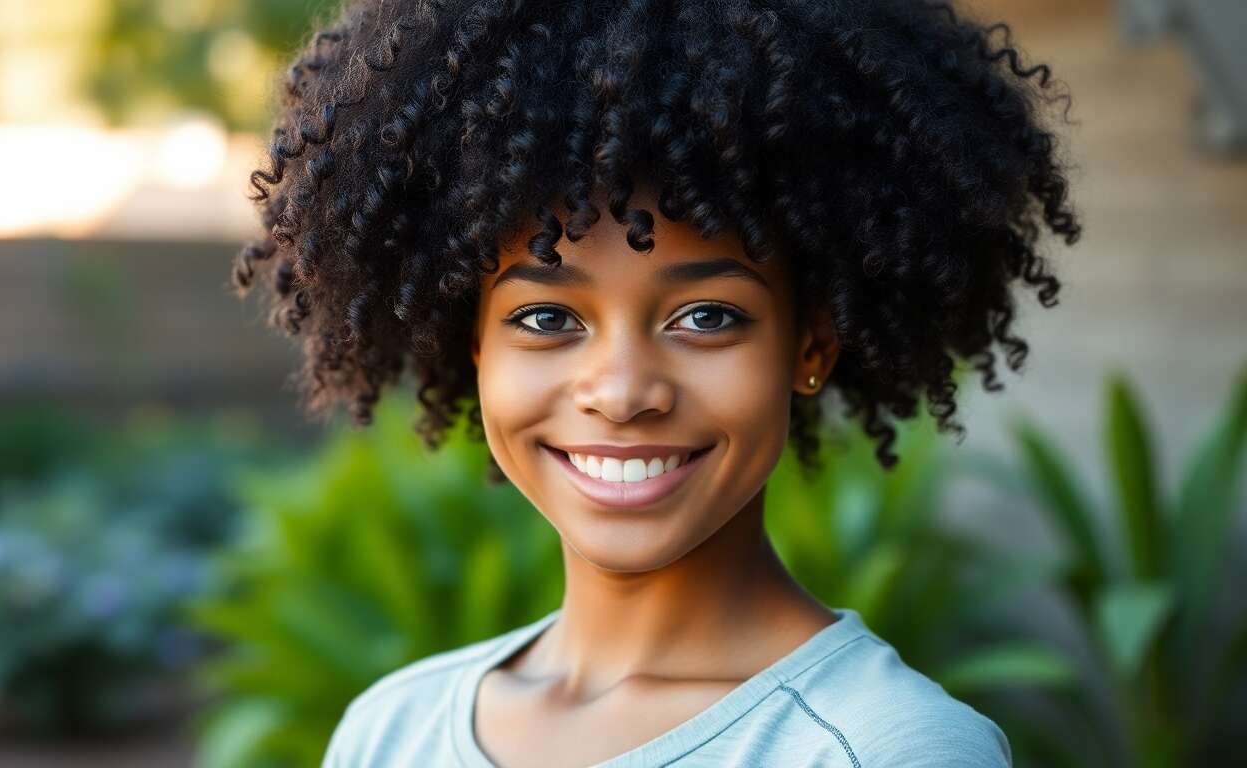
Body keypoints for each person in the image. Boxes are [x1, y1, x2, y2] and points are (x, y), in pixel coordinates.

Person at [231, 0, 1081, 765]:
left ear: (809, 343)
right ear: (473, 346)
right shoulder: (389, 731)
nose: (624, 389)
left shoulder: (883, 750)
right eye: (546, 319)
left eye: (706, 317)